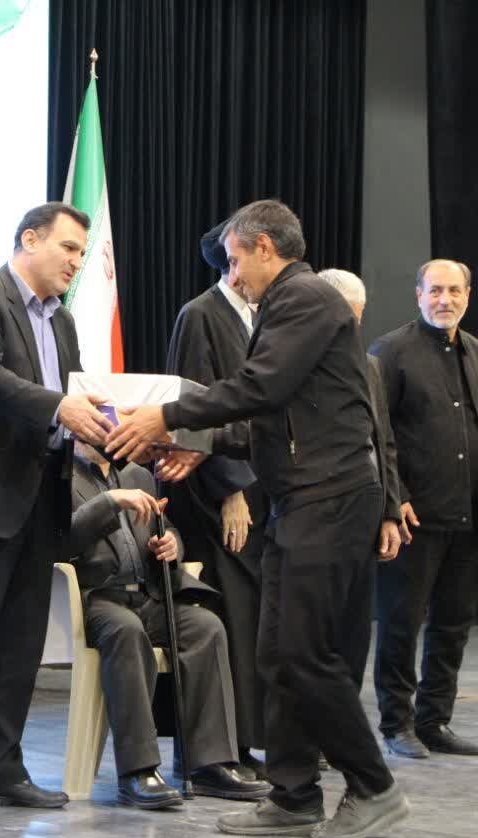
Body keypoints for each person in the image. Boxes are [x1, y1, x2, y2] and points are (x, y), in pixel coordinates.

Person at [106, 200, 410, 838]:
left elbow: (258, 387)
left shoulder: (303, 298)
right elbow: (277, 419)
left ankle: (372, 787)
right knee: (277, 652)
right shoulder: (289, 302)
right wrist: (200, 444)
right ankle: (294, 796)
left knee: (304, 653)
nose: (232, 274)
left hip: (330, 498)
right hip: (304, 498)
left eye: (236, 259)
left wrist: (168, 417)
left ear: (264, 247)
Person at [0, 202, 112, 819]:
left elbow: (68, 398)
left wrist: (89, 429)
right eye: (68, 248)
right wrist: (60, 408)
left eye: (82, 252)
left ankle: (1, 768)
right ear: (29, 240)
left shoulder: (63, 321)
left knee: (19, 647)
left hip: (42, 500)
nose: (76, 262)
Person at [68, 441, 272, 807]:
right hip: (98, 600)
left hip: (147, 595)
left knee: (205, 626)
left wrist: (170, 545)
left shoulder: (137, 475)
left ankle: (208, 763)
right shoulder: (62, 477)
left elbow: (169, 527)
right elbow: (63, 537)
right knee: (126, 630)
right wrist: (111, 501)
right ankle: (138, 770)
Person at [367, 259, 478, 758]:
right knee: (401, 625)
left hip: (469, 514)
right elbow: (377, 433)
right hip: (415, 517)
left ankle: (435, 720)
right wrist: (395, 498)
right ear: (418, 295)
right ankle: (396, 724)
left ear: (468, 295)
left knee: (453, 624)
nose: (444, 299)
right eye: (435, 291)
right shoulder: (390, 351)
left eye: (454, 291)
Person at [162, 220, 266, 776]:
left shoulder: (257, 316)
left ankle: (244, 743)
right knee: (225, 616)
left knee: (251, 623)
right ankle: (212, 753)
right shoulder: (201, 314)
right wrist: (231, 489)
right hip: (211, 495)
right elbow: (194, 407)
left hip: (260, 489)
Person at [317, 268, 404, 687]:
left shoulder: (370, 366)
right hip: (314, 517)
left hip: (364, 514)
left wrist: (390, 514)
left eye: (359, 317)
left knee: (354, 628)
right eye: (346, 318)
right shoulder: (292, 363)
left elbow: (384, 441)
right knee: (317, 629)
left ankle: (344, 712)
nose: (353, 328)